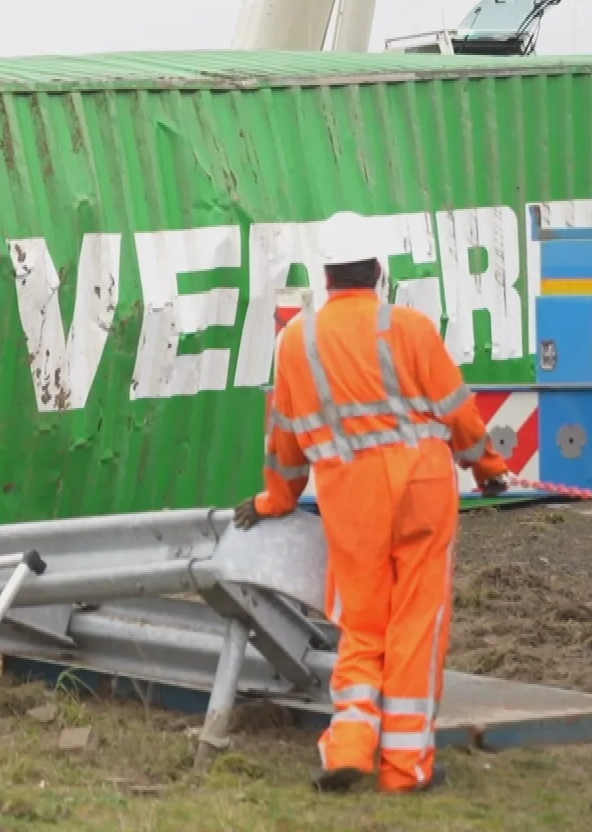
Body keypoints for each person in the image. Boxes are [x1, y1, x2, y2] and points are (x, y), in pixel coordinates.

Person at [234, 211, 508, 795]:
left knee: (360, 623)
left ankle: (350, 748)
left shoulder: (294, 343)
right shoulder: (409, 328)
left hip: (348, 500)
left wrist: (275, 499)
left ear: (326, 274)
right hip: (421, 493)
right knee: (416, 619)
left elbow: (283, 441)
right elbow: (458, 411)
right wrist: (487, 469)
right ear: (379, 270)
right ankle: (406, 767)